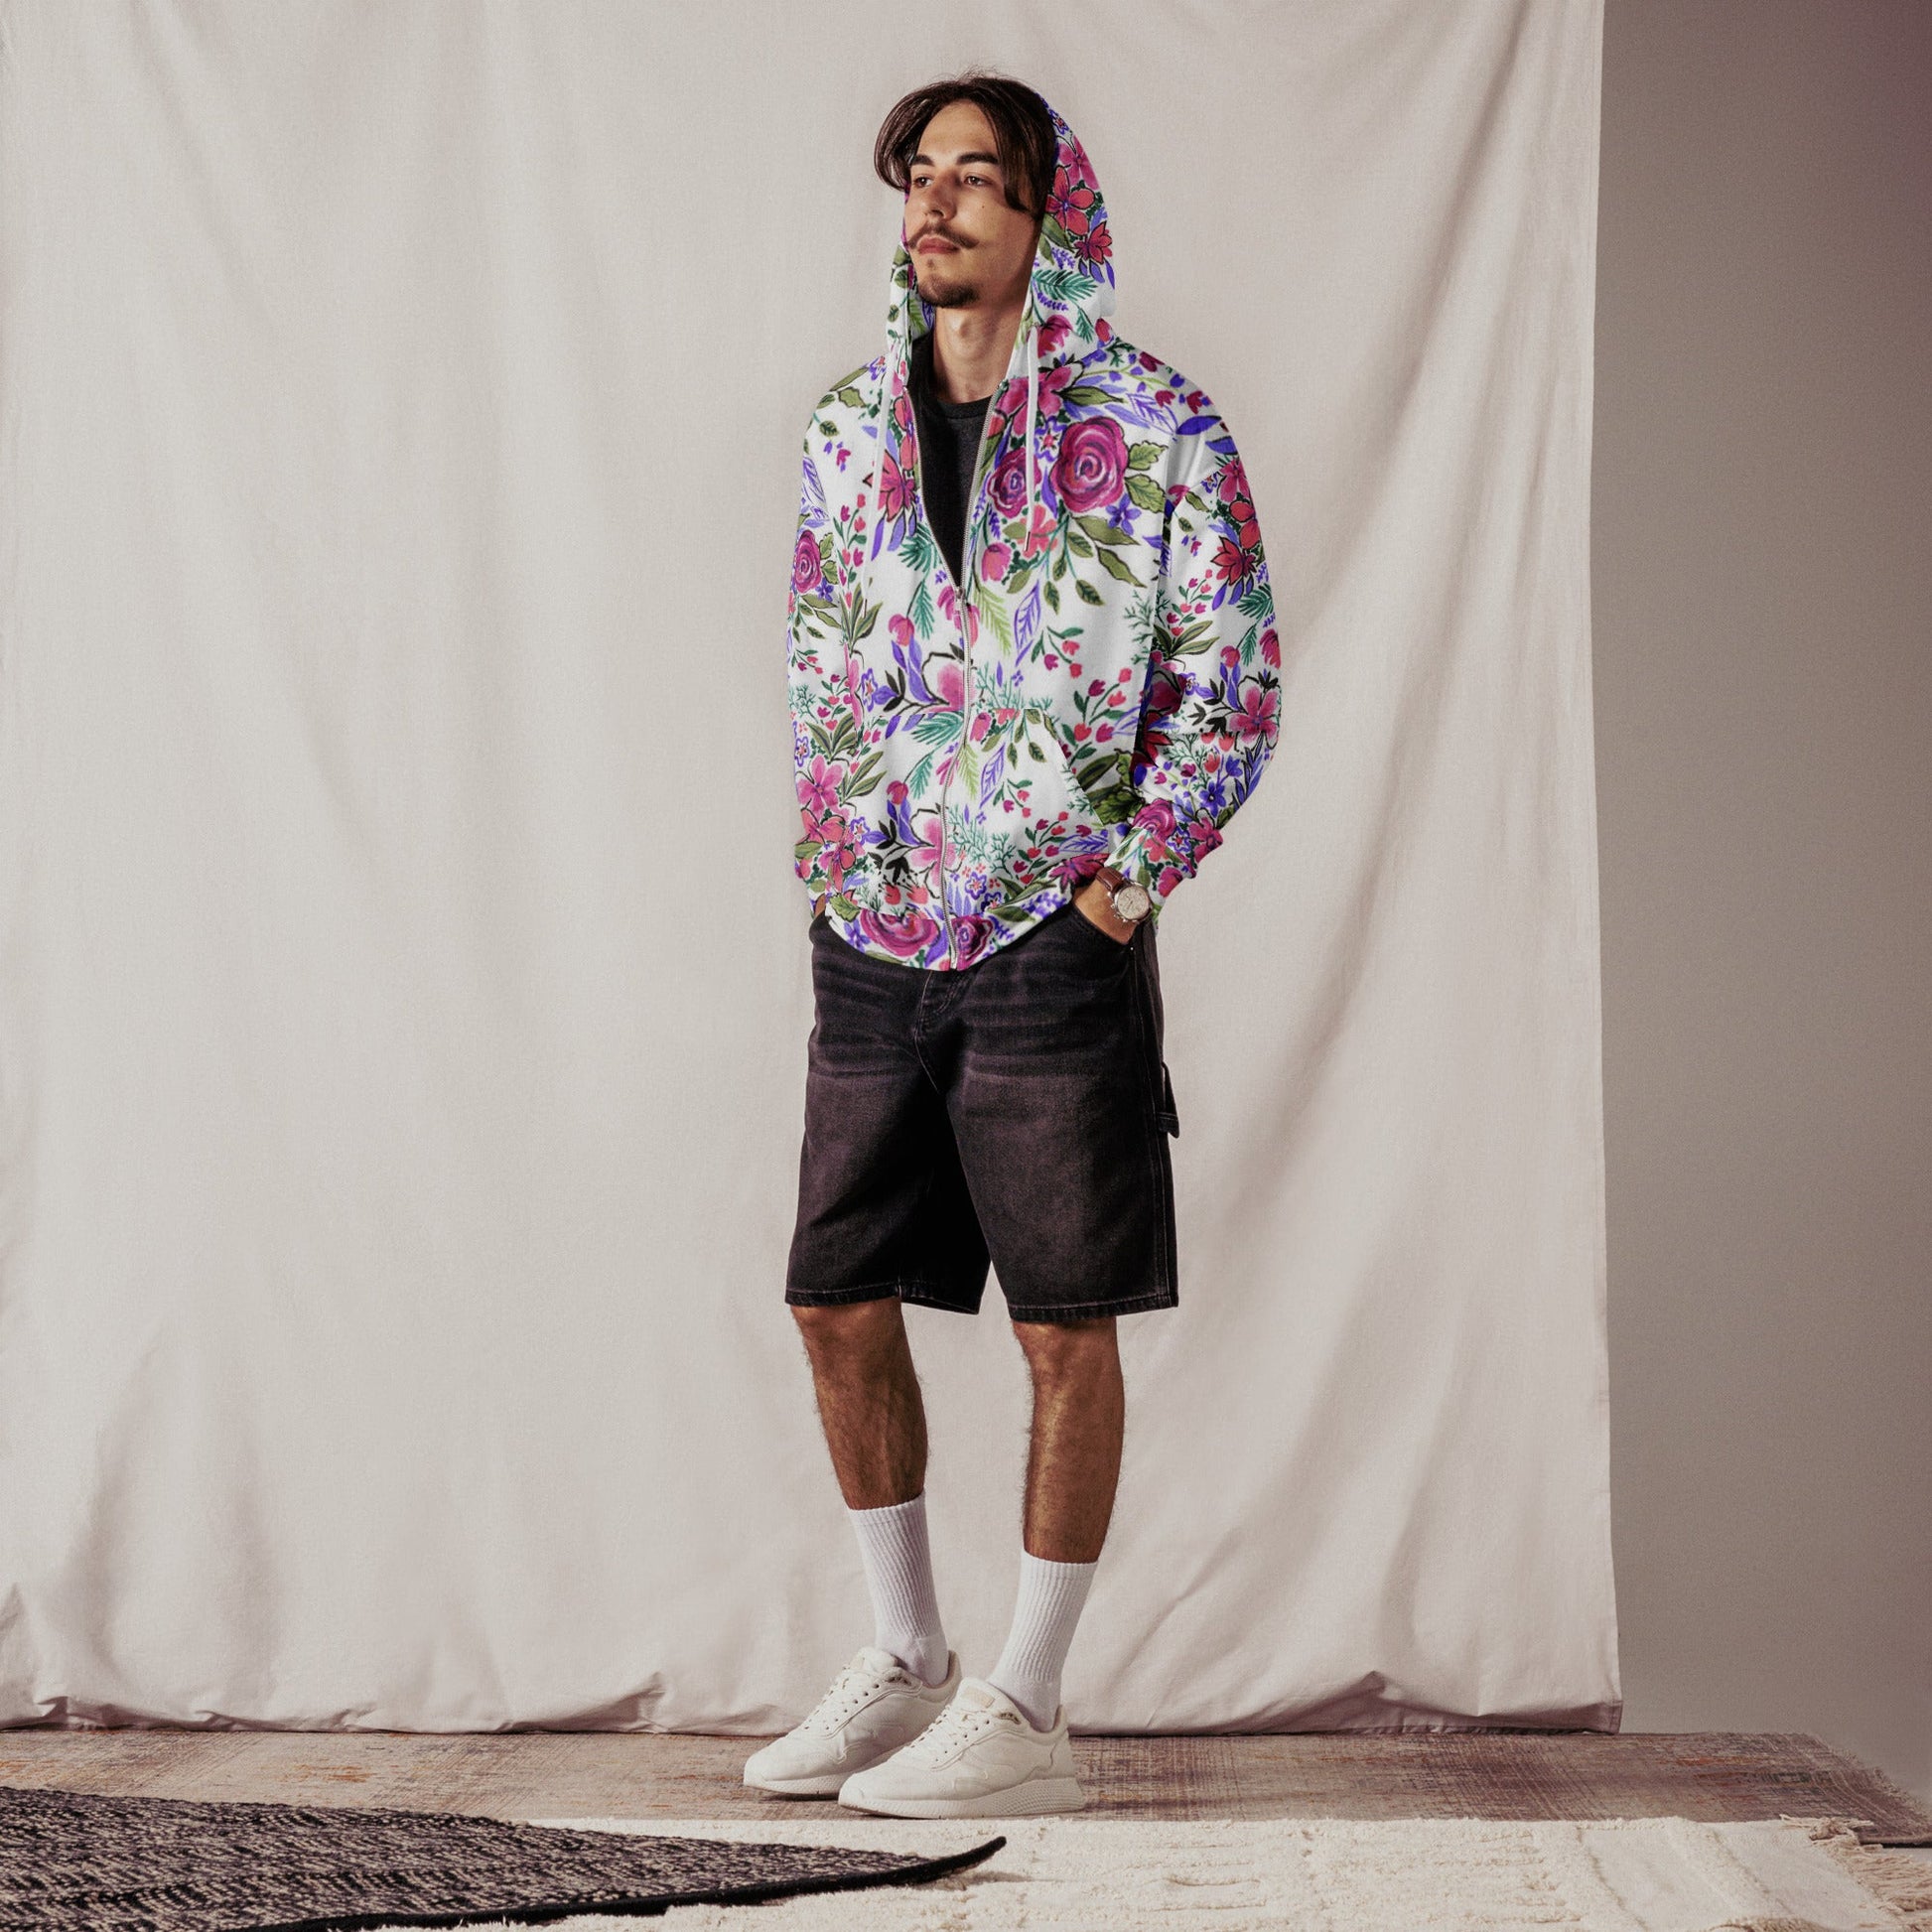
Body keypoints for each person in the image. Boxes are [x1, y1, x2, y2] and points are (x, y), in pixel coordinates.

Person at [745, 72, 1279, 1819]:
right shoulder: (847, 427)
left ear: (1054, 215)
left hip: (1052, 931)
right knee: (834, 1295)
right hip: (871, 927)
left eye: (979, 175)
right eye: (919, 172)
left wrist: (1123, 882)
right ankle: (906, 1659)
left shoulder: (1157, 425)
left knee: (1063, 1321)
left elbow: (1232, 677)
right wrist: (839, 847)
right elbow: (822, 654)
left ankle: (1028, 1702)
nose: (937, 201)